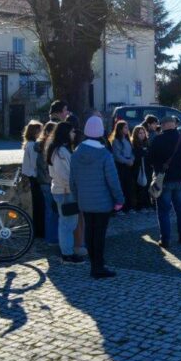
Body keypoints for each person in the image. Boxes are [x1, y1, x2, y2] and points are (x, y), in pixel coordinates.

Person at [70, 116, 125, 278]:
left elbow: (72, 181)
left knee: (89, 232)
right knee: (99, 235)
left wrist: (77, 197)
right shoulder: (104, 155)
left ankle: (94, 265)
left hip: (84, 201)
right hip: (102, 202)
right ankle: (98, 266)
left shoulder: (76, 153)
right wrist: (120, 199)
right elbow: (113, 181)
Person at [149, 116, 181, 248]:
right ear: (173, 124)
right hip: (180, 179)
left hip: (164, 179)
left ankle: (165, 240)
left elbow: (150, 159)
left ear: (165, 125)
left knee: (163, 211)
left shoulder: (158, 139)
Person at [47, 121, 83, 263]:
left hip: (64, 190)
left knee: (68, 223)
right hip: (65, 192)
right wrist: (72, 190)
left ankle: (67, 251)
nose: (74, 134)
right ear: (65, 134)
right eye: (72, 132)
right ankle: (67, 253)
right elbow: (64, 175)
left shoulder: (61, 150)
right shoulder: (60, 152)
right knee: (67, 224)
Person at [36, 121, 59, 244]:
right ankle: (51, 237)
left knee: (49, 210)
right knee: (52, 211)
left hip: (43, 181)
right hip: (48, 181)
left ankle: (50, 236)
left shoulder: (39, 145)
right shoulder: (48, 146)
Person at [22, 120, 45, 238]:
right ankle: (40, 231)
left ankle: (38, 230)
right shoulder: (32, 145)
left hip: (31, 177)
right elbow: (35, 163)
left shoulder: (28, 144)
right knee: (40, 205)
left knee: (37, 205)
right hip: (35, 177)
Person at [109, 121, 135, 215]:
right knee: (122, 187)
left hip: (129, 165)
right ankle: (120, 208)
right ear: (120, 129)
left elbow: (132, 152)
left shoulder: (128, 140)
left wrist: (132, 159)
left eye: (127, 127)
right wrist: (127, 161)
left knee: (129, 187)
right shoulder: (116, 141)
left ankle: (128, 207)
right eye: (125, 127)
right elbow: (117, 155)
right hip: (121, 166)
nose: (127, 129)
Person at [130, 126, 153, 212]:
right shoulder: (134, 144)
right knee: (140, 187)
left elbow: (149, 154)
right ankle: (141, 206)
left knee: (148, 186)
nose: (142, 135)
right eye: (140, 133)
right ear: (136, 134)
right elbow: (138, 155)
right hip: (139, 169)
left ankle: (148, 204)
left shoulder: (147, 142)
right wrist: (144, 152)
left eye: (143, 132)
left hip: (148, 168)